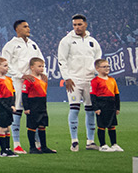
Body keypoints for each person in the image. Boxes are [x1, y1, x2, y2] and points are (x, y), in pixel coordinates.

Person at [57, 14, 104, 153]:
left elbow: (98, 61)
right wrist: (66, 77)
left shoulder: (93, 42)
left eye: (79, 24)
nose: (77, 27)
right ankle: (74, 141)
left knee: (90, 110)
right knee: (74, 109)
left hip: (90, 80)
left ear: (86, 25)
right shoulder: (67, 41)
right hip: (74, 80)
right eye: (74, 25)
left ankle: (90, 141)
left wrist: (98, 77)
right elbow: (62, 60)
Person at [0, 21, 43, 151]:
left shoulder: (33, 44)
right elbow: (5, 64)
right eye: (25, 26)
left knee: (34, 111)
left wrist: (42, 74)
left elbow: (40, 60)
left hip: (33, 83)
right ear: (17, 29)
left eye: (28, 26)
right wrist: (20, 75)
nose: (28, 28)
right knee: (17, 110)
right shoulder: (10, 45)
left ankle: (36, 143)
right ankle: (16, 143)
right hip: (18, 82)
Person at [21, 57, 55, 153]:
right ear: (32, 67)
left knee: (42, 125)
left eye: (43, 66)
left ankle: (44, 146)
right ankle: (32, 147)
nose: (42, 68)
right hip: (33, 104)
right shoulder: (29, 79)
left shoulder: (43, 78)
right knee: (32, 126)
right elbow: (24, 94)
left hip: (42, 104)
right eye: (39, 66)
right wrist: (26, 107)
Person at [90, 58, 123, 151]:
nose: (107, 68)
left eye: (108, 66)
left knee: (112, 125)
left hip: (111, 105)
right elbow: (93, 96)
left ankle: (114, 144)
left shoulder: (112, 79)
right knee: (102, 125)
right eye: (104, 67)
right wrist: (96, 108)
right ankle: (103, 145)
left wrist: (117, 107)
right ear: (97, 68)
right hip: (102, 105)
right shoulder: (95, 81)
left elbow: (116, 94)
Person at [0, 57, 20, 157]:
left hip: (9, 105)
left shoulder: (9, 79)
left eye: (7, 66)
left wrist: (12, 105)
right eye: (5, 66)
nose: (7, 68)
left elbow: (13, 93)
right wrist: (8, 107)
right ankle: (3, 151)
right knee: (3, 128)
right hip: (1, 107)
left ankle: (8, 148)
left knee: (8, 127)